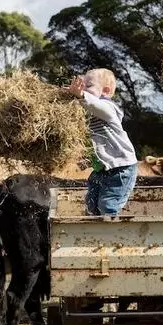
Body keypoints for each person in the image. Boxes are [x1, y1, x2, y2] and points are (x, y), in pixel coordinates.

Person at [66, 68, 138, 216]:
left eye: (89, 86)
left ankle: (110, 236)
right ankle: (94, 234)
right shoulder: (87, 113)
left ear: (105, 91)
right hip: (102, 169)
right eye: (82, 85)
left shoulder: (109, 107)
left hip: (121, 167)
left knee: (107, 205)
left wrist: (81, 94)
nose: (83, 88)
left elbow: (95, 105)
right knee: (91, 204)